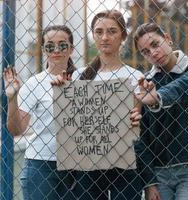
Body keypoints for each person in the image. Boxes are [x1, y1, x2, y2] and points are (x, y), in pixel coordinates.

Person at [53, 10, 144, 200]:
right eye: (99, 31)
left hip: (124, 162)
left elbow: (138, 125)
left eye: (112, 31)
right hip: (89, 164)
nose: (105, 37)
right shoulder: (78, 76)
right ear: (93, 35)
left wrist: (137, 119)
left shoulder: (136, 77)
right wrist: (61, 90)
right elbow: (70, 122)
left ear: (123, 36)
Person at [133, 22, 188, 200]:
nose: (153, 53)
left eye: (155, 44)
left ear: (168, 39)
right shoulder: (146, 85)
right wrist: (149, 182)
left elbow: (182, 88)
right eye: (145, 52)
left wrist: (158, 98)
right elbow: (141, 137)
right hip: (158, 172)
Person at [3, 25, 77, 200]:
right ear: (44, 50)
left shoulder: (83, 79)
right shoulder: (34, 83)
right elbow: (16, 129)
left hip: (77, 163)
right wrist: (12, 98)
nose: (56, 50)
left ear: (71, 49)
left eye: (62, 45)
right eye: (50, 46)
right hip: (41, 163)